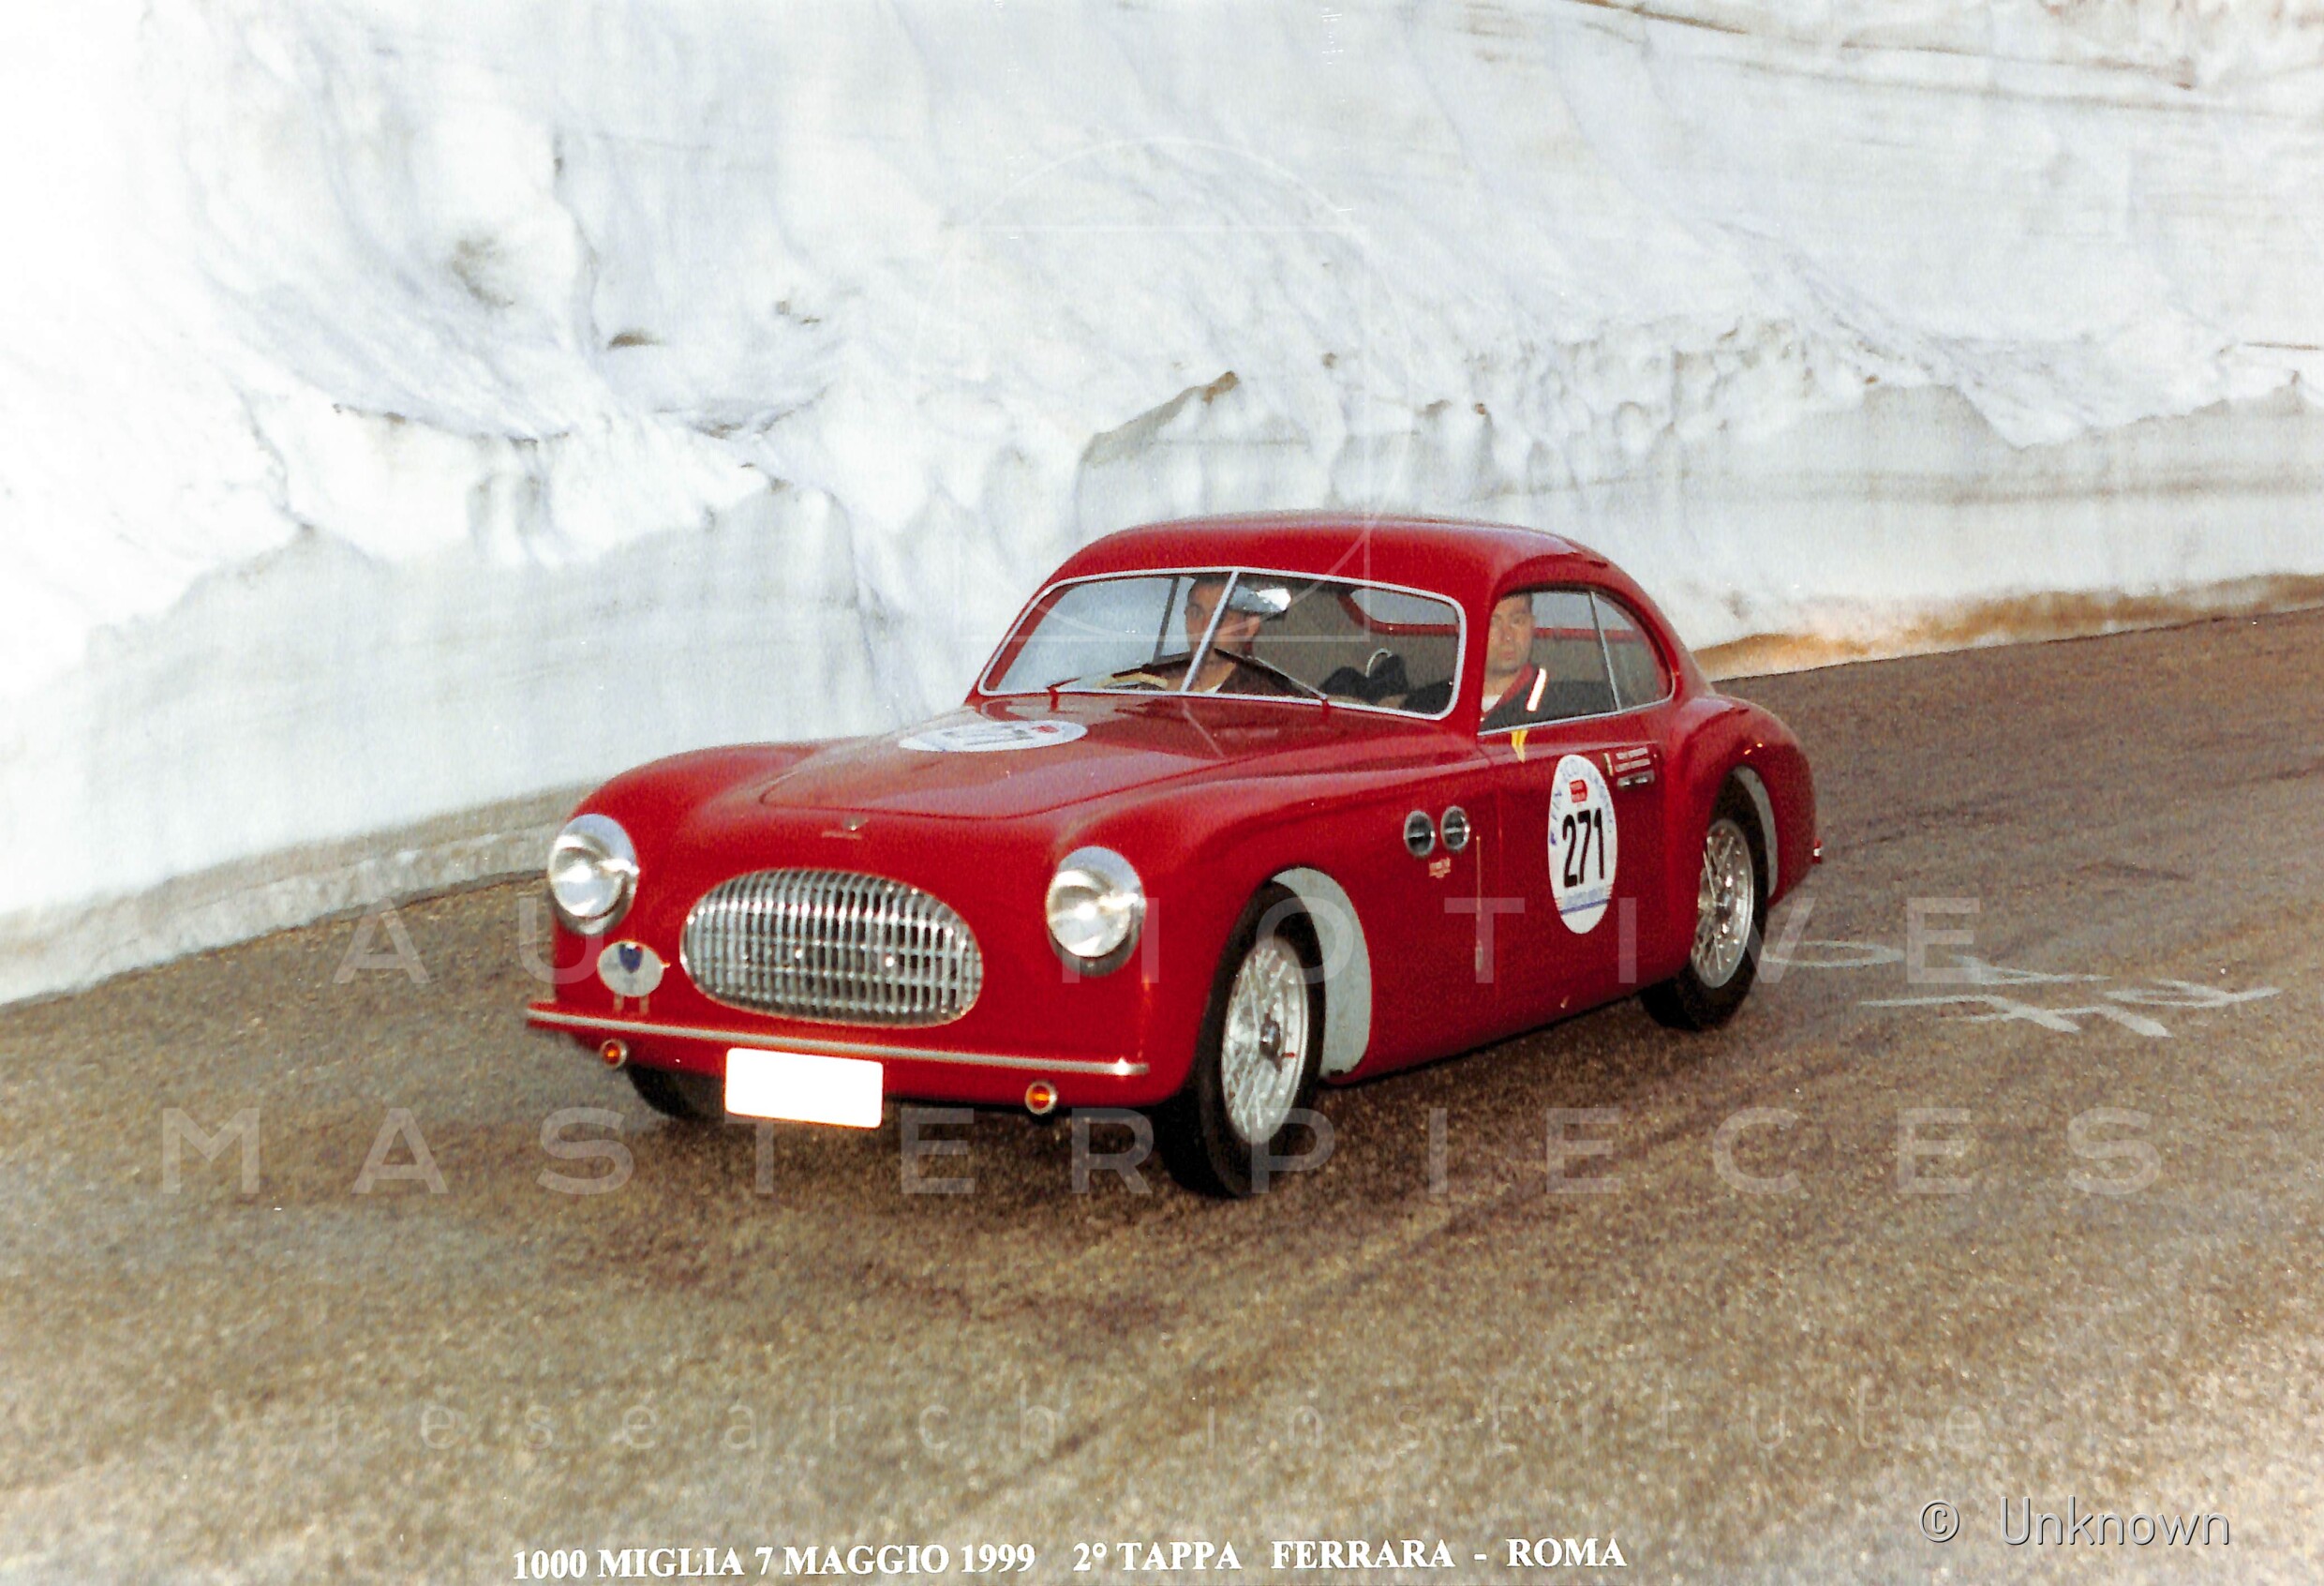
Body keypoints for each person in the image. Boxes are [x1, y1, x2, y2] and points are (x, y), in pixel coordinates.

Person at [1103, 575, 1301, 695]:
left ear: (1249, 627)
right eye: (1196, 613)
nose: (1205, 627)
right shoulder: (1155, 678)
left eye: (1220, 617)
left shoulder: (1270, 697)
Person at [1403, 591, 1545, 726]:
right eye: (1492, 622)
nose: (1507, 636)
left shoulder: (1555, 711)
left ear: (1532, 624)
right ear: (1463, 629)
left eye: (1517, 621)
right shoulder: (1425, 708)